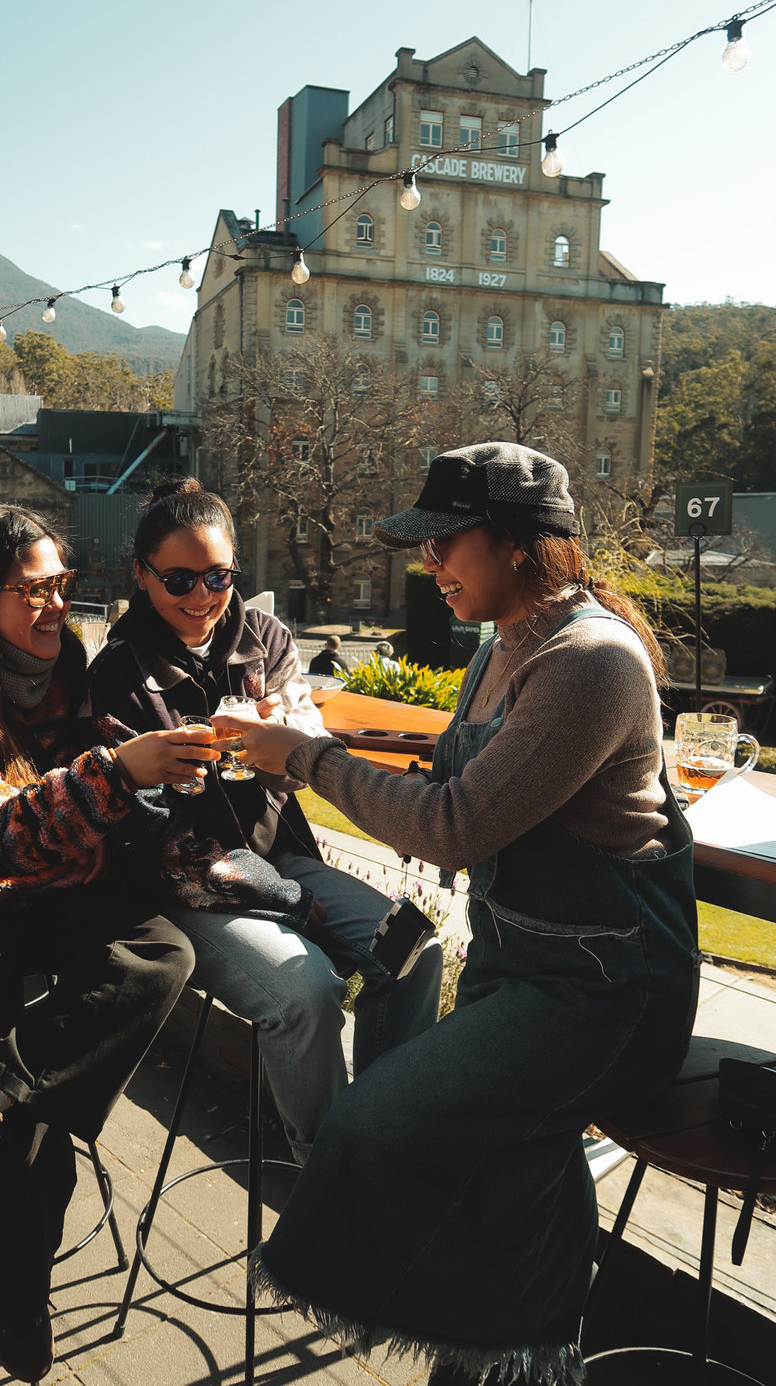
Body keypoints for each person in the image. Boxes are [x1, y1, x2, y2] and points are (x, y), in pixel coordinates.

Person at [238, 442, 700, 1386]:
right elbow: (458, 782)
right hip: (520, 971)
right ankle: (520, 1363)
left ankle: (492, 1350)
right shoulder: (505, 643)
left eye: (446, 541)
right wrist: (318, 730)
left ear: (522, 545)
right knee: (516, 1164)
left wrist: (299, 758)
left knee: (375, 1121)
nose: (428, 564)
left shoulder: (592, 662)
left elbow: (452, 827)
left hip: (606, 995)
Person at [0, 504, 217, 1382]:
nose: (55, 607)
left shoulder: (63, 673)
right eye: (32, 592)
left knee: (162, 953)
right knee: (29, 1151)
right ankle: (14, 1301)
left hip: (43, 898)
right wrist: (117, 773)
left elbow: (72, 808)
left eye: (62, 586)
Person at [87, 478, 443, 1165]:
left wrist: (281, 742)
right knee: (307, 992)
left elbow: (305, 756)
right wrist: (292, 900)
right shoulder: (117, 676)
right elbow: (146, 837)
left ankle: (376, 1133)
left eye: (217, 576)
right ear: (142, 574)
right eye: (179, 580)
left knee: (415, 949)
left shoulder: (265, 637)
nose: (200, 598)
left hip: (277, 853)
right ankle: (329, 1172)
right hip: (183, 889)